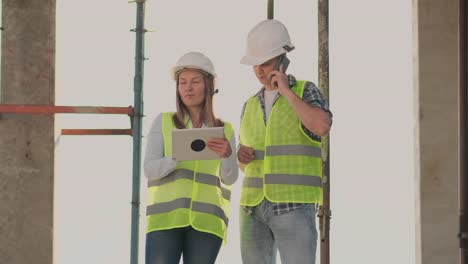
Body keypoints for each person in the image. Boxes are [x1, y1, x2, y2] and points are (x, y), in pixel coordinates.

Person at [237, 19, 333, 264]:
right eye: (255, 64)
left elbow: (322, 126)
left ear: (282, 59)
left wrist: (286, 92)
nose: (259, 70)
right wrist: (241, 156)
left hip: (293, 205)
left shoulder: (304, 91)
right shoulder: (249, 105)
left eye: (265, 63)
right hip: (252, 207)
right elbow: (247, 163)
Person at [143, 51, 238, 264]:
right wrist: (175, 157)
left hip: (207, 224)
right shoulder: (164, 122)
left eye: (195, 81)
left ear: (209, 86)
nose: (188, 87)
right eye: (182, 82)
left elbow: (230, 179)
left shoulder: (225, 130)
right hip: (166, 220)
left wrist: (227, 156)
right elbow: (149, 169)